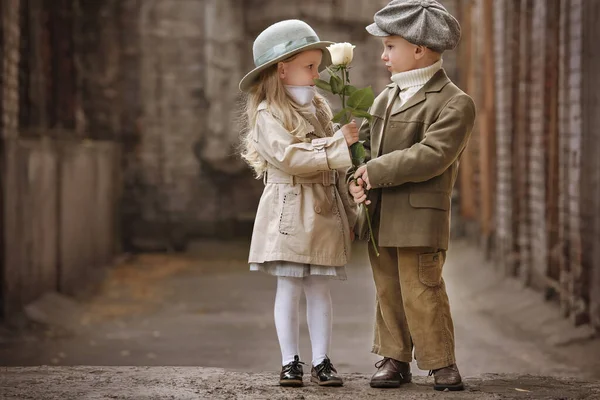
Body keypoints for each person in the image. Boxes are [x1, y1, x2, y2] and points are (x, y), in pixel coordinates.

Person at [349, 0, 476, 391]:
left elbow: (433, 156)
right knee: (387, 289)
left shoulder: (454, 102)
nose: (383, 55)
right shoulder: (386, 98)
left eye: (391, 46)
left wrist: (374, 170)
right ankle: (394, 358)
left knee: (422, 289)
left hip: (420, 214)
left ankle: (441, 363)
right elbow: (367, 150)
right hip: (381, 211)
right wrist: (356, 172)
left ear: (419, 49)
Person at [239, 19, 358, 388]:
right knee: (289, 285)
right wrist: (339, 144)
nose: (317, 73)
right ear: (282, 68)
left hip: (322, 207)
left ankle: (322, 360)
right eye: (309, 66)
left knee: (318, 287)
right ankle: (290, 360)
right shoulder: (266, 114)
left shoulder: (321, 107)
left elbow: (336, 169)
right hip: (289, 209)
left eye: (318, 65)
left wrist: (350, 201)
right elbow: (291, 157)